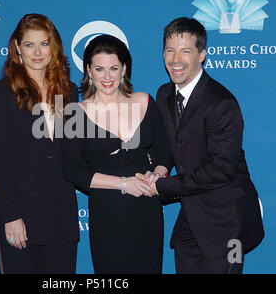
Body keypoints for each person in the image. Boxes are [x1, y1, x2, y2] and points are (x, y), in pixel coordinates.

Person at [143, 17, 264, 274]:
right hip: (191, 218)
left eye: (185, 51)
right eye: (169, 50)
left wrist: (161, 187)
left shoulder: (222, 104)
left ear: (202, 55)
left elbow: (221, 170)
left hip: (227, 222)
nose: (175, 60)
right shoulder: (165, 94)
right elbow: (169, 144)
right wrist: (162, 167)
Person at [61, 34, 173, 274]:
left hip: (147, 208)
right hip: (108, 212)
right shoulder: (76, 113)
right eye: (99, 69)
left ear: (124, 68)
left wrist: (158, 174)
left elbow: (165, 154)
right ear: (88, 71)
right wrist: (123, 184)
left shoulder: (144, 102)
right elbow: (73, 170)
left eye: (113, 68)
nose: (107, 76)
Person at [0, 14, 79, 274]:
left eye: (44, 44)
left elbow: (74, 150)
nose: (37, 52)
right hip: (20, 218)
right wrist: (10, 216)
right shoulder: (1, 92)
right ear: (17, 47)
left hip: (61, 218)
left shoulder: (68, 90)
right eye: (29, 45)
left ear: (54, 47)